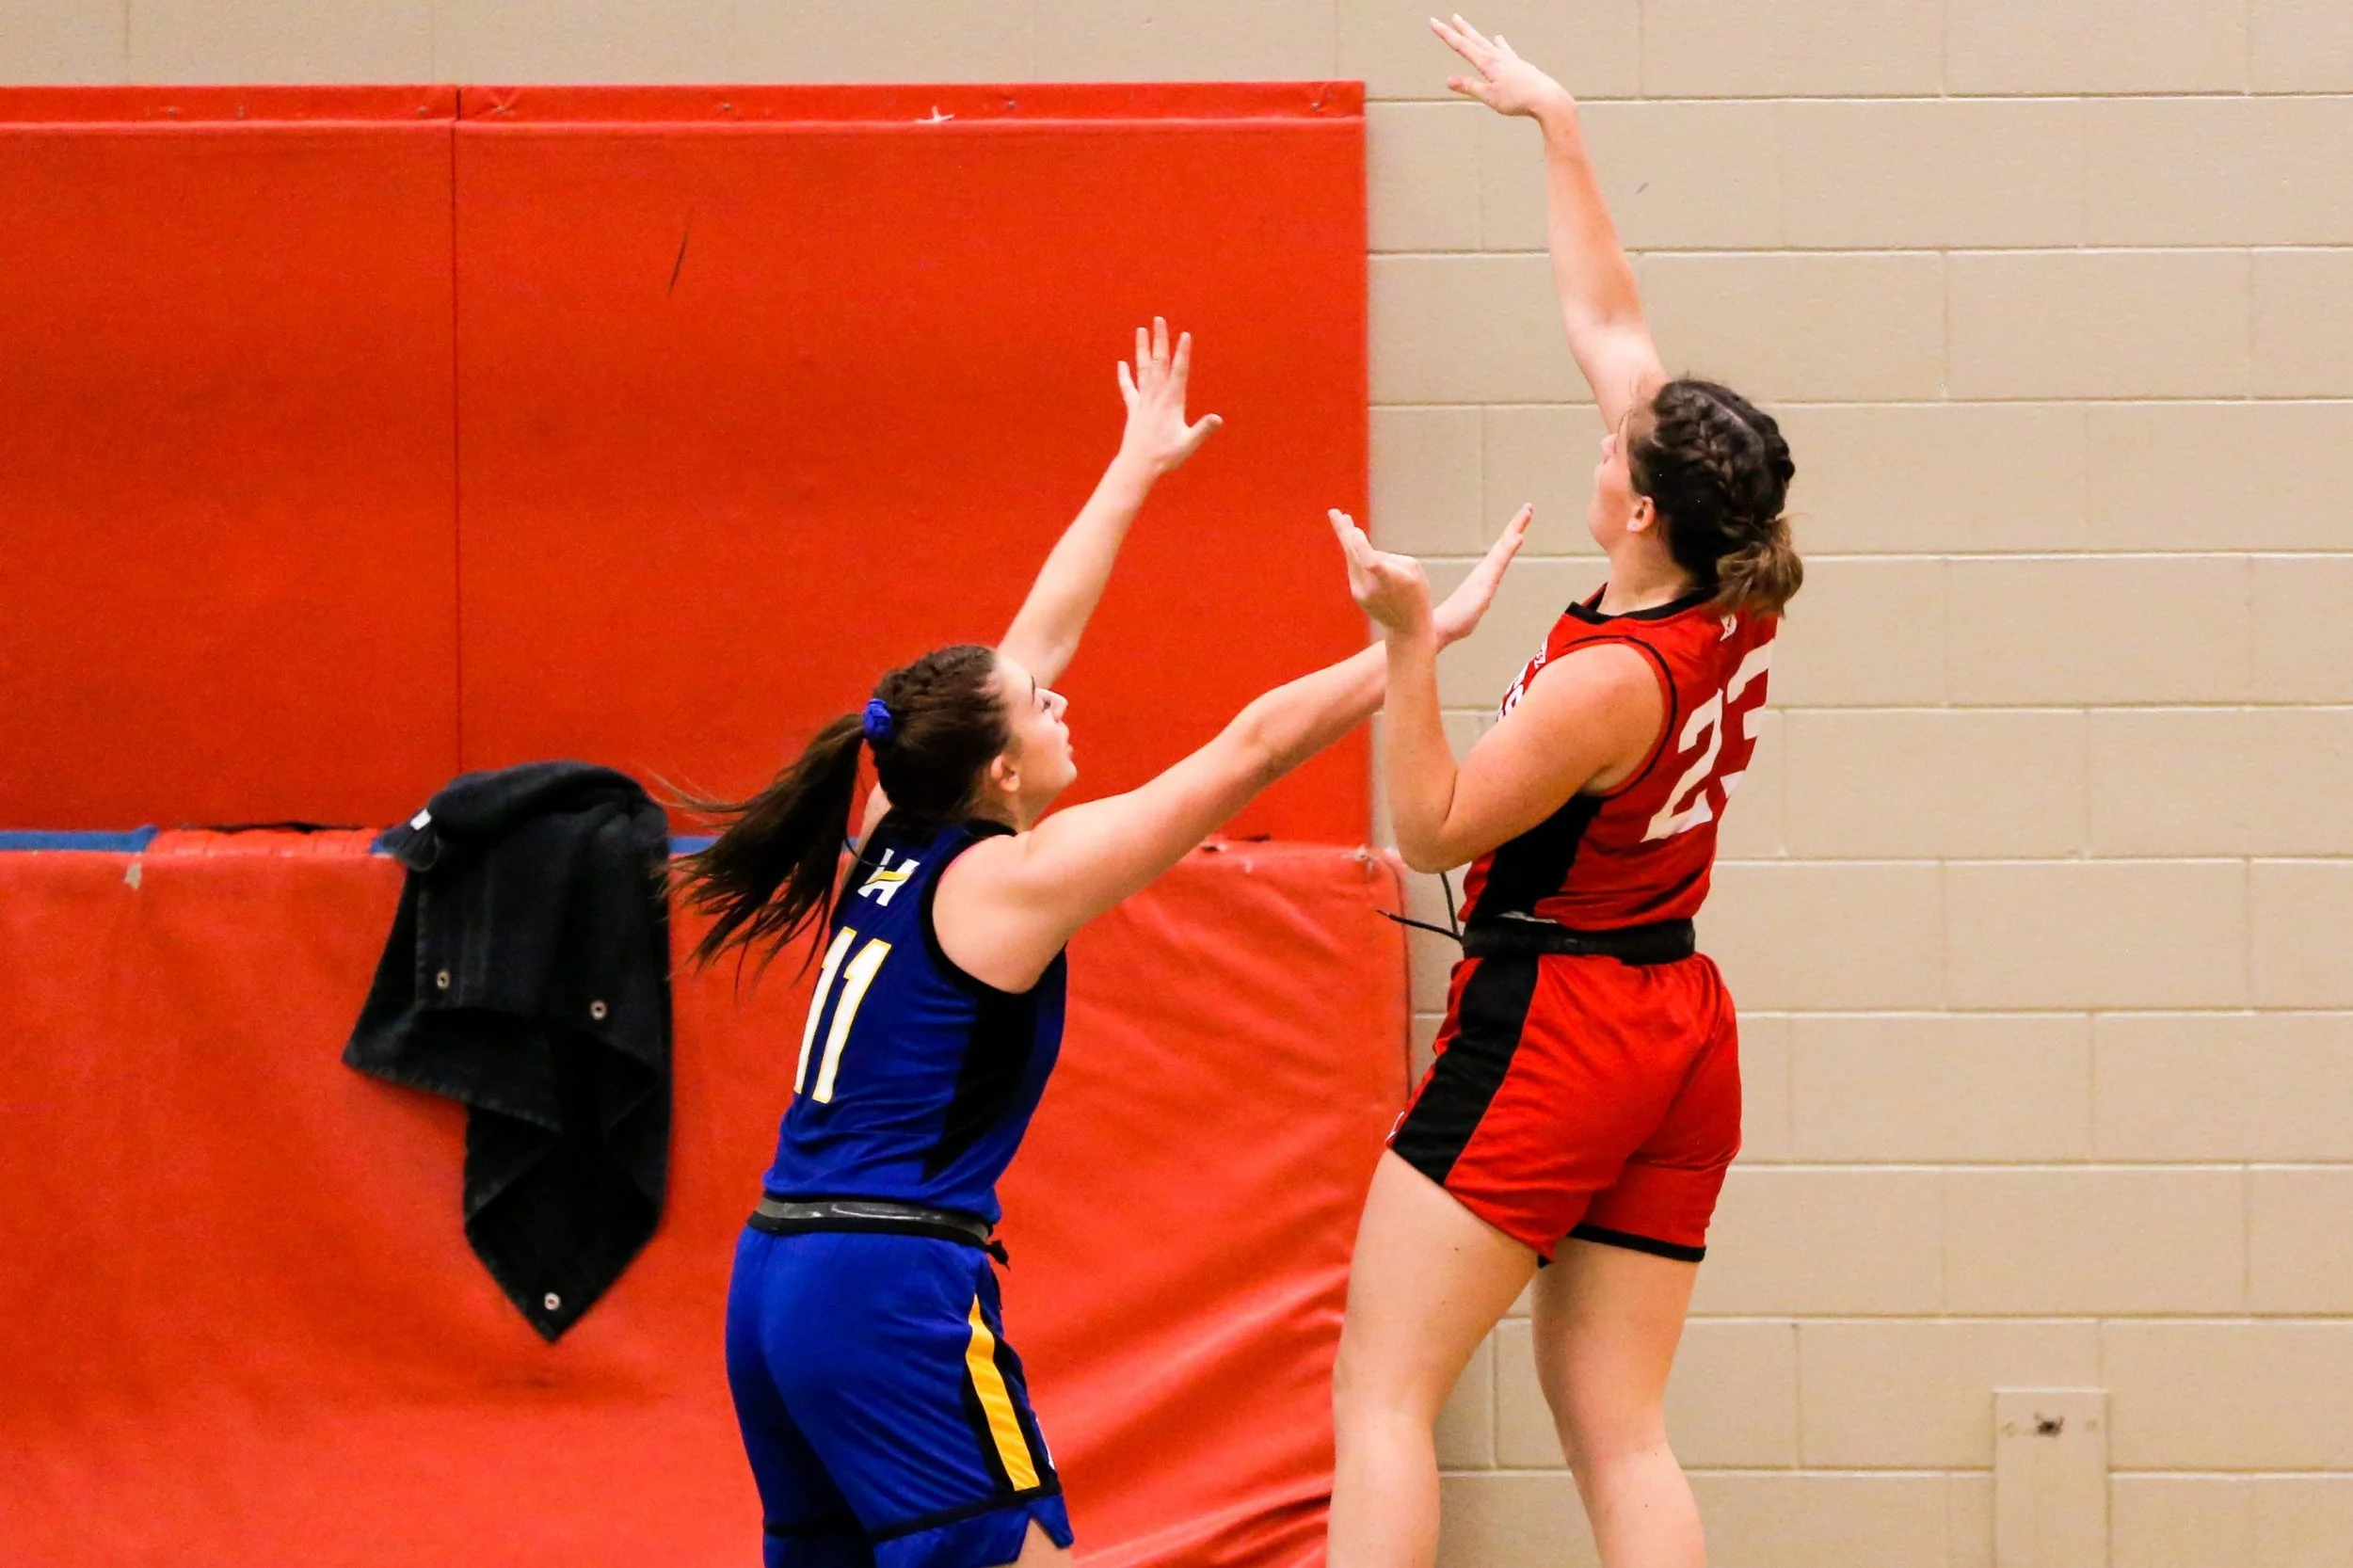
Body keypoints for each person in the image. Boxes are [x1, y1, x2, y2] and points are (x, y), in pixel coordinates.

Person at [680, 320, 1528, 1568]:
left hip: (773, 1283)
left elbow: (1040, 636)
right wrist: (1414, 644)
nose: (1061, 699)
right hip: (884, 1289)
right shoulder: (1009, 878)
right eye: (1042, 712)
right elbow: (1246, 752)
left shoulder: (890, 822)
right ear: (1005, 766)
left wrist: (1136, 466)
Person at [1321, 18, 1806, 1568]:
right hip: (1678, 1020)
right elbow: (1608, 312)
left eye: (1613, 442)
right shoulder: (1733, 587)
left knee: (1381, 1390)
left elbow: (1435, 828)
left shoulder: (1617, 675)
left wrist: (1408, 645)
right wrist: (1557, 123)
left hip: (1564, 1020)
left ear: (1642, 504)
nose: (1600, 424)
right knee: (1618, 1423)